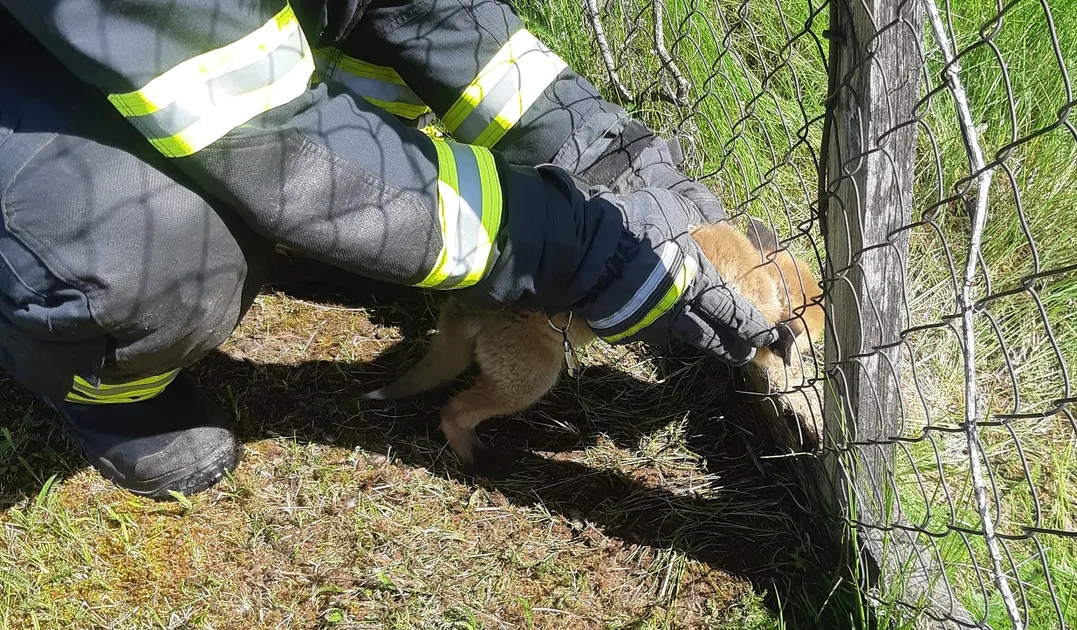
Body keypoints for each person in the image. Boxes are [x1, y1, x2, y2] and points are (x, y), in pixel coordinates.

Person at [0, 0, 777, 499]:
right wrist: (584, 252)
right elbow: (265, 134)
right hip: (49, 77)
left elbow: (448, 26)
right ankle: (106, 391)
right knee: (156, 248)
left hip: (193, 65)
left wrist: (627, 169)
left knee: (383, 68)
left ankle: (316, 235)